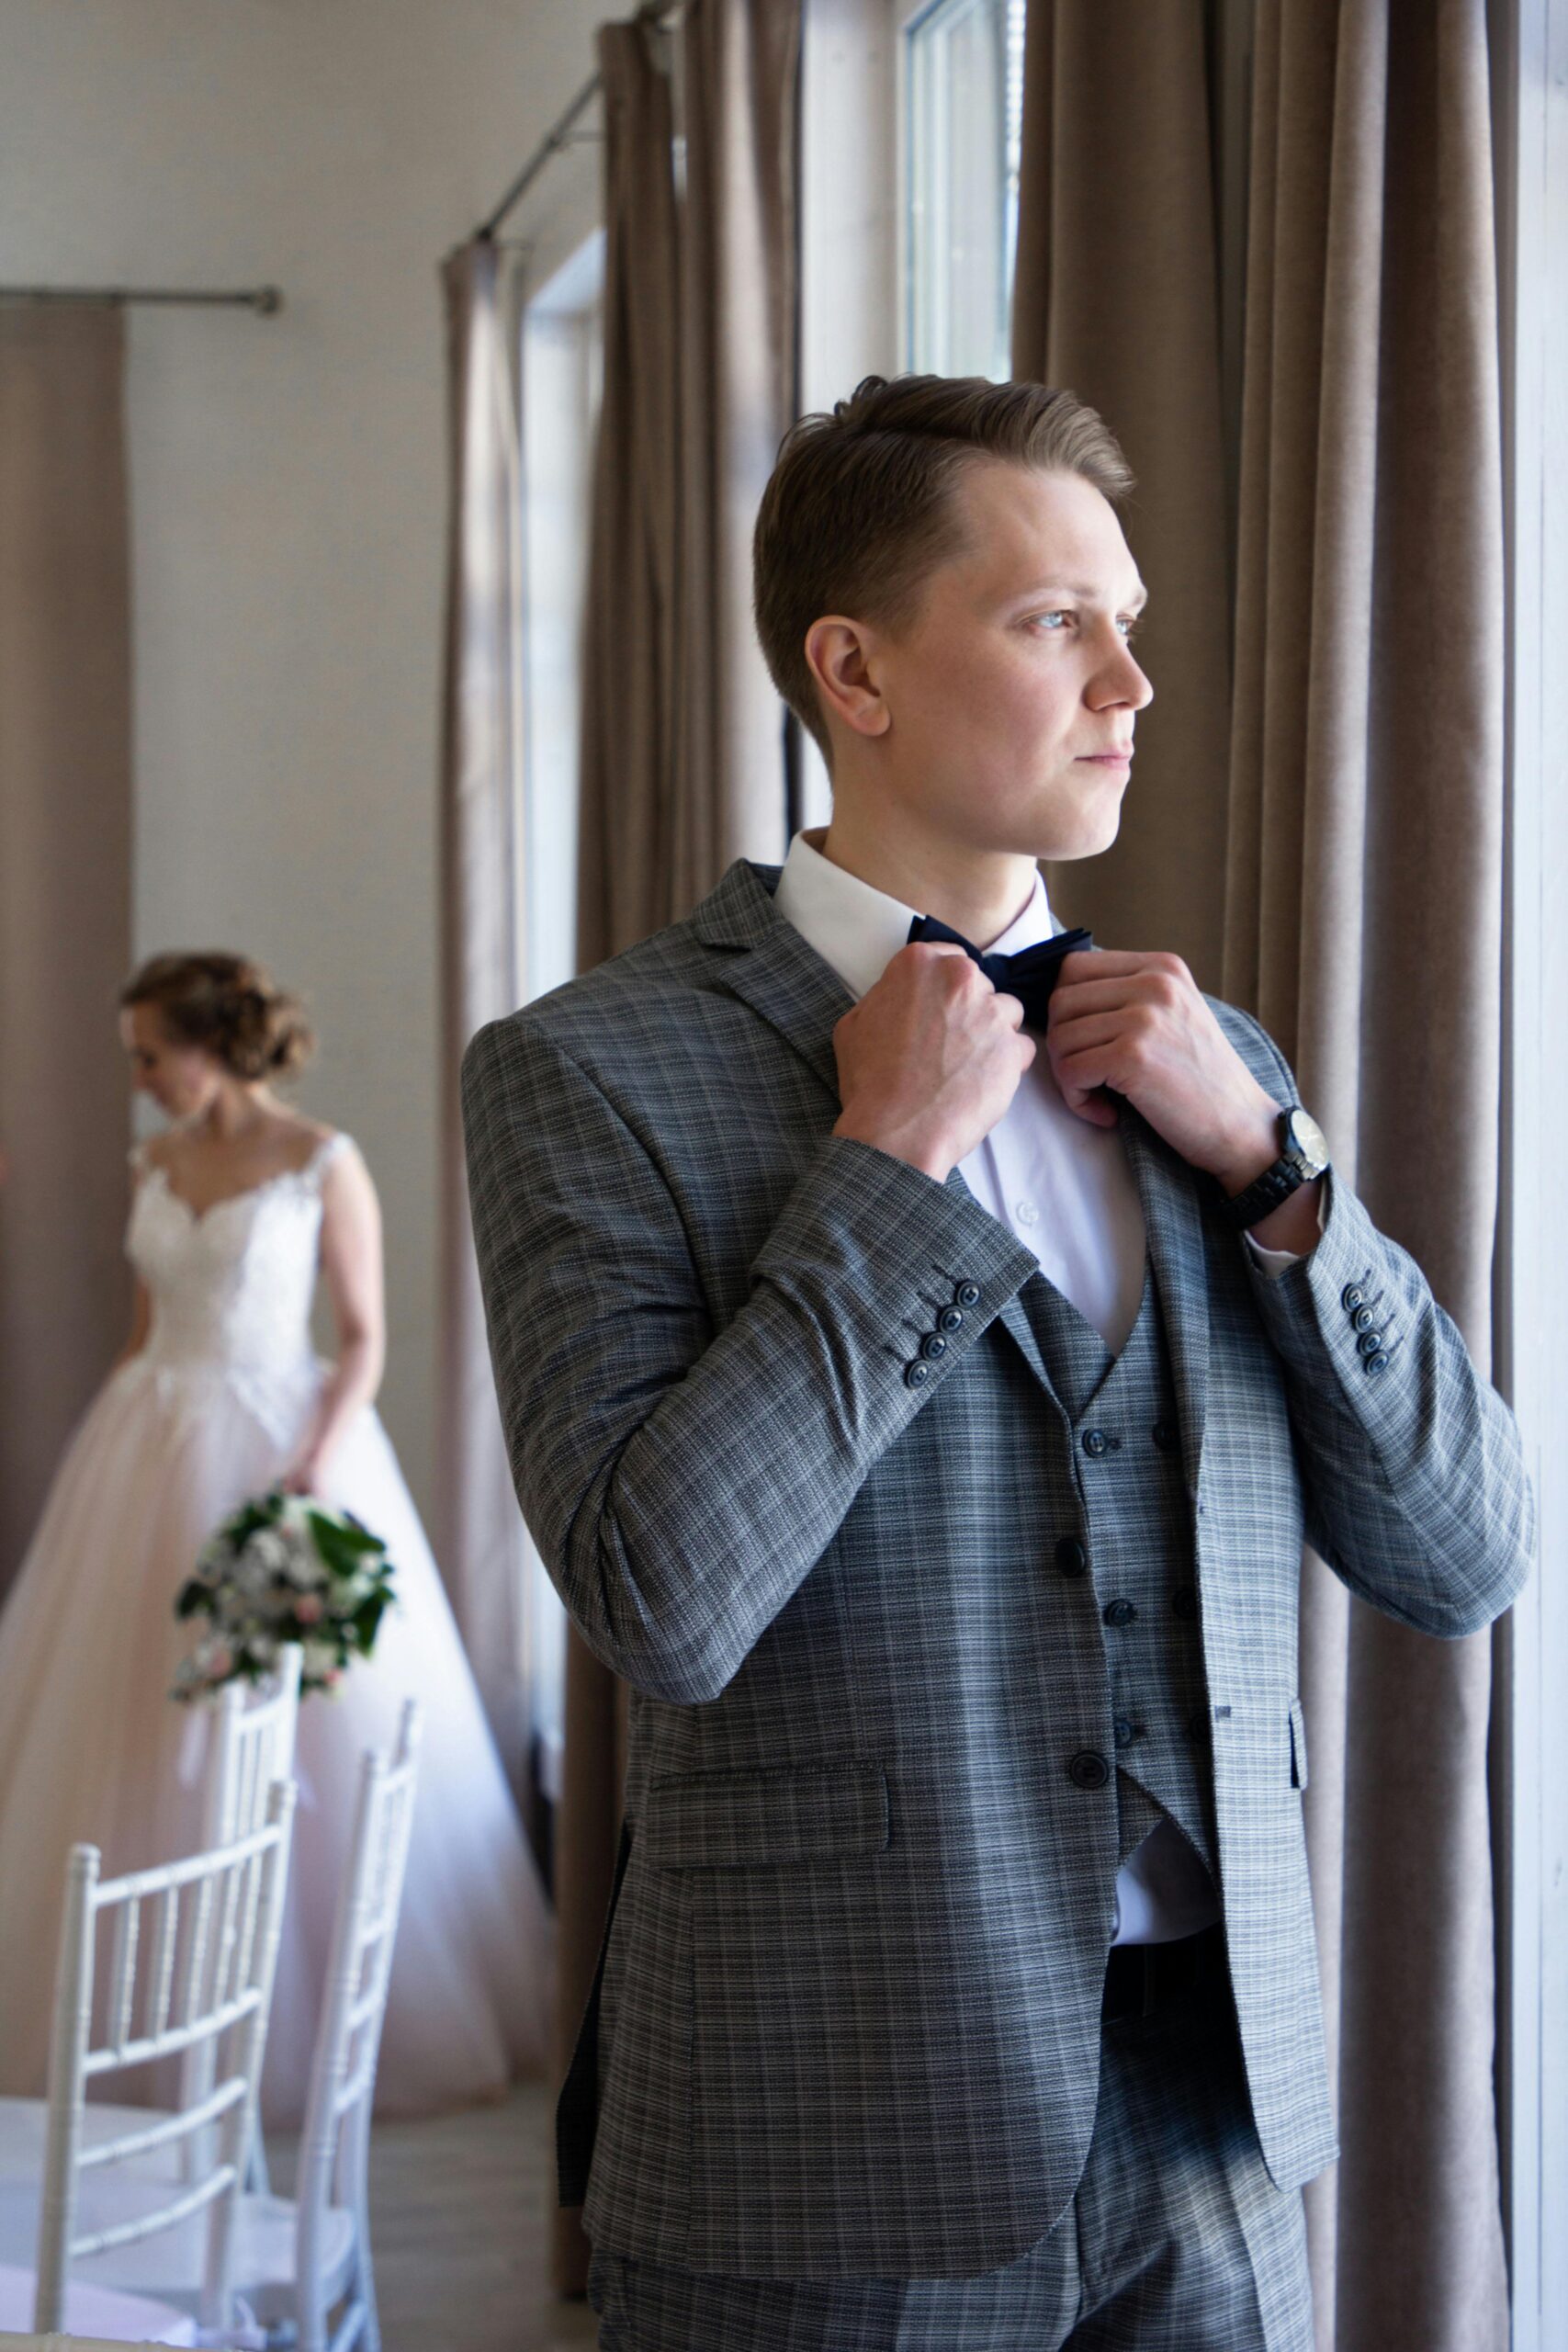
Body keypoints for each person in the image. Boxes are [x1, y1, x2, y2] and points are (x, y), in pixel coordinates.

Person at [461, 377, 1533, 2350]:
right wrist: (882, 1164)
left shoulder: (1222, 1072)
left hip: (1212, 2113)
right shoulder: (584, 1072)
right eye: (1056, 622)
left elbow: (1465, 1554)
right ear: (852, 670)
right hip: (822, 2131)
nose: (1130, 680)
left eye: (1128, 623)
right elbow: (662, 1600)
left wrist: (1279, 1173)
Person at [0, 951, 551, 2125]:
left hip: (282, 1442)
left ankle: (283, 2014)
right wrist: (111, 1454)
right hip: (147, 1436)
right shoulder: (153, 1161)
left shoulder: (319, 1163)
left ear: (212, 1045)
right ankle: (126, 2017)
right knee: (123, 1708)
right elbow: (149, 1329)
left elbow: (363, 1336)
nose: (141, 1077)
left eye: (152, 1052)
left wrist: (311, 1463)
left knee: (295, 1729)